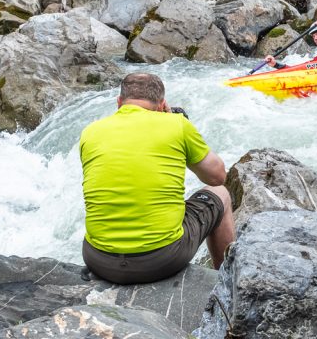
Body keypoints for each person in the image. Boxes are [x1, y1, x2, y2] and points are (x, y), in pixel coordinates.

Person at [78, 72, 235, 284]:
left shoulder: (90, 132)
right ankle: (226, 284)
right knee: (221, 194)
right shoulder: (177, 125)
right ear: (162, 105)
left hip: (98, 260)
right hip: (161, 260)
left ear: (119, 103)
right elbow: (217, 177)